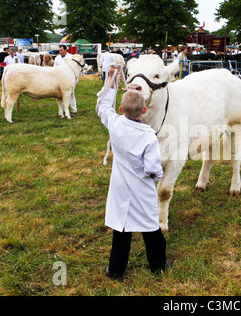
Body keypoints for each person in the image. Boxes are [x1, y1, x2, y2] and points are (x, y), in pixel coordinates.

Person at [96, 66, 170, 279]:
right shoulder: (148, 136)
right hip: (142, 188)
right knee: (151, 229)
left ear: (120, 109)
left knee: (122, 230)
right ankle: (158, 265)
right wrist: (156, 176)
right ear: (144, 110)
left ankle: (116, 270)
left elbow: (102, 107)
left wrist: (110, 79)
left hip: (120, 187)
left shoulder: (115, 123)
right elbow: (153, 168)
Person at [54, 45, 78, 116]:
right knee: (60, 95)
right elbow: (54, 68)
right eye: (59, 50)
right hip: (60, 79)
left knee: (71, 94)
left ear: (65, 50)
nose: (60, 52)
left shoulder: (71, 57)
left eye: (61, 50)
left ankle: (74, 110)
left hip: (69, 79)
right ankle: (63, 110)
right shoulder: (57, 58)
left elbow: (75, 69)